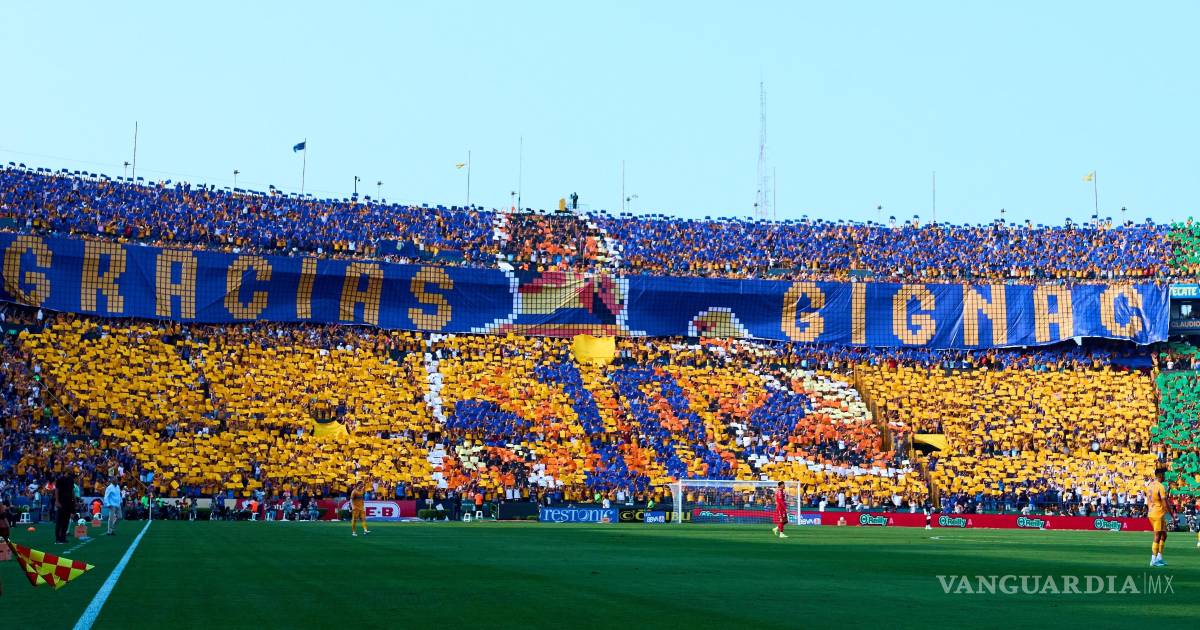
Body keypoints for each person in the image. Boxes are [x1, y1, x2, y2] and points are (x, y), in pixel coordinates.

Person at [1147, 468, 1176, 567]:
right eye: (1163, 475)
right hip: (1158, 513)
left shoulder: (1150, 485)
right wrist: (1172, 514)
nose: (1165, 476)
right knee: (1157, 536)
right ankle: (1153, 560)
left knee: (1164, 535)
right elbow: (1165, 504)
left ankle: (1159, 558)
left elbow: (1151, 499)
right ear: (1160, 475)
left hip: (1151, 512)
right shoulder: (1160, 487)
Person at [54, 468, 75, 544]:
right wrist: (57, 501)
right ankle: (58, 539)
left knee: (66, 521)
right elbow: (57, 490)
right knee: (59, 521)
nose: (71, 471)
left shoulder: (71, 480)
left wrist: (74, 500)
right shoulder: (60, 479)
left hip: (68, 502)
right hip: (61, 502)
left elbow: (72, 491)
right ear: (66, 471)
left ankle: (63, 538)